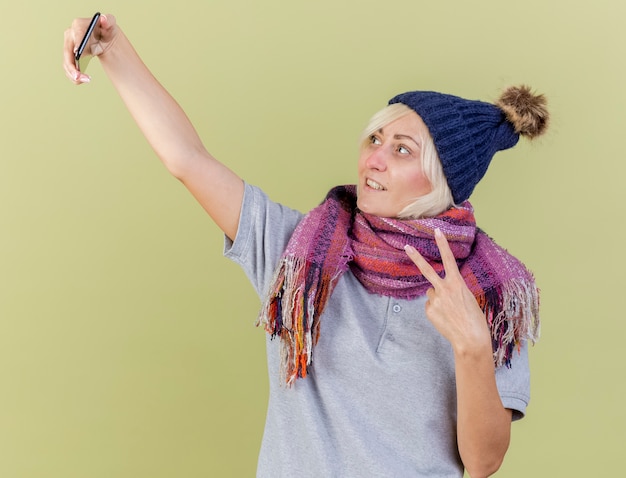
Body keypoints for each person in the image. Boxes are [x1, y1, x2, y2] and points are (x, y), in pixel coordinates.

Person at [63, 13, 549, 478]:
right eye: (374, 139)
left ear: (443, 181)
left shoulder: (492, 298)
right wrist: (113, 49)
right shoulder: (299, 256)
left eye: (401, 149)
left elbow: (483, 463)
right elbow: (187, 159)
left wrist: (471, 347)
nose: (374, 158)